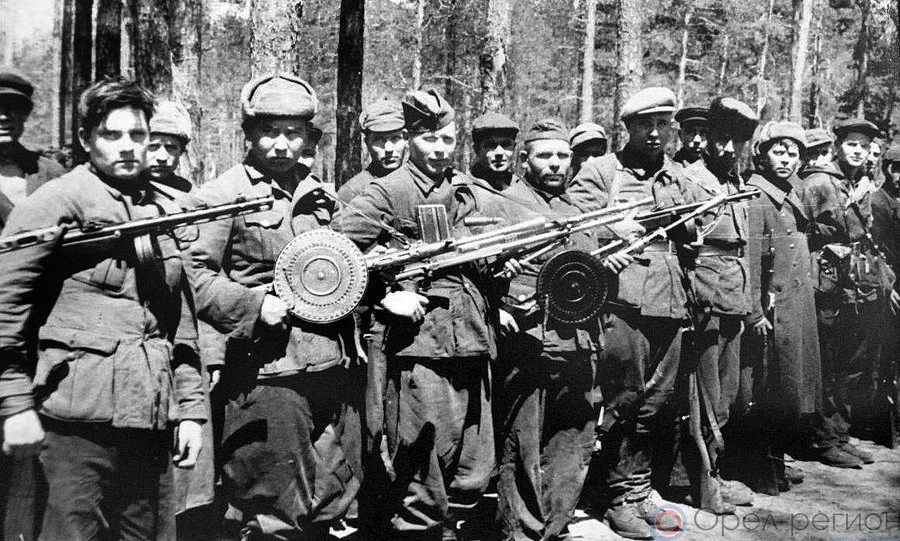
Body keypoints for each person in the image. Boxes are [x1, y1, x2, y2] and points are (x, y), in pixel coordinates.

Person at [0, 77, 206, 540]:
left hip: (149, 417)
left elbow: (180, 319)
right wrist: (14, 405)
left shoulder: (164, 207)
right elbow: (4, 308)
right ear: (86, 138)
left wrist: (191, 409)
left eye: (137, 134)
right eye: (111, 135)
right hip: (72, 426)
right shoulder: (57, 200)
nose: (127, 146)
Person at [188, 74, 365, 540]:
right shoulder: (221, 196)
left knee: (330, 499)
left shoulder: (320, 195)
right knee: (274, 509)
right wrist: (252, 304)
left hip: (329, 366)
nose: (282, 144)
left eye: (293, 132)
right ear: (248, 134)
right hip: (265, 374)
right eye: (269, 132)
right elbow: (194, 276)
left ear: (309, 137)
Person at [333, 89, 499, 541]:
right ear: (410, 139)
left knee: (471, 465)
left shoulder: (464, 188)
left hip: (472, 338)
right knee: (424, 464)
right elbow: (331, 256)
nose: (440, 149)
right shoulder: (388, 190)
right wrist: (383, 295)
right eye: (429, 139)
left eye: (447, 139)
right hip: (420, 346)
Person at [569, 86, 695, 540]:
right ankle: (613, 495)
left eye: (663, 124)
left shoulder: (677, 175)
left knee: (657, 403)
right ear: (628, 128)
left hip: (672, 300)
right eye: (645, 125)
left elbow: (693, 231)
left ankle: (638, 488)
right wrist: (611, 227)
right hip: (623, 303)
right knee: (624, 400)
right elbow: (573, 224)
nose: (655, 133)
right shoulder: (602, 170)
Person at [493, 119, 603, 541]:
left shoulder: (579, 210)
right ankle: (520, 531)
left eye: (562, 156)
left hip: (579, 339)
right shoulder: (506, 203)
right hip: (530, 339)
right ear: (525, 160)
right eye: (545, 156)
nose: (555, 164)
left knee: (573, 435)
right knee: (522, 439)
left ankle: (555, 526)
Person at [799, 117, 892, 468]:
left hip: (857, 284)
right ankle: (822, 440)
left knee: (852, 363)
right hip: (825, 283)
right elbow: (799, 231)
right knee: (827, 362)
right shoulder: (818, 182)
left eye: (864, 146)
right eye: (851, 144)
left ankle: (840, 434)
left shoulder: (862, 183)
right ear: (837, 147)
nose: (858, 151)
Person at [737, 121, 823, 495]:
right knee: (767, 387)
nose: (786, 159)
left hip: (794, 306)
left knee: (788, 387)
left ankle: (776, 461)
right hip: (772, 310)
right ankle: (763, 468)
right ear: (762, 155)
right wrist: (754, 312)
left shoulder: (790, 193)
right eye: (778, 151)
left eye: (793, 153)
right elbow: (751, 259)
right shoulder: (757, 196)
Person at [681, 98, 757, 512]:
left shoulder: (735, 181)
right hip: (705, 296)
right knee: (704, 395)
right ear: (707, 138)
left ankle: (715, 472)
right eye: (721, 139)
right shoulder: (690, 178)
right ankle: (702, 482)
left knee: (726, 394)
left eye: (736, 141)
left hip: (731, 296)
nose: (728, 148)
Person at [0, 66, 67, 541]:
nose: (4, 117)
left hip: (34, 340)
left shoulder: (50, 175)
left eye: (14, 108)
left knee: (28, 476)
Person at [870, 144, 900, 448]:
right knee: (887, 356)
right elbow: (874, 249)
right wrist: (887, 287)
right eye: (897, 168)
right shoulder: (877, 202)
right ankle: (885, 426)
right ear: (887, 169)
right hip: (890, 287)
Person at [337, 99, 408, 204]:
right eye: (379, 140)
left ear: (406, 139)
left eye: (395, 138)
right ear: (367, 143)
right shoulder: (353, 191)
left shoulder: (418, 184)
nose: (388, 149)